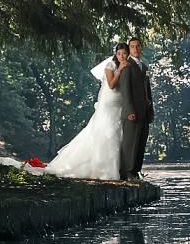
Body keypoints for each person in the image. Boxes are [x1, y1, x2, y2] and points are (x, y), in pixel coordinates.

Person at [45, 43, 131, 180]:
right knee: (107, 132)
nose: (122, 56)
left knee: (118, 134)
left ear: (128, 54)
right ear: (116, 54)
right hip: (108, 102)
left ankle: (119, 168)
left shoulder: (128, 65)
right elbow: (111, 85)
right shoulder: (110, 66)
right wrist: (120, 70)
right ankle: (104, 170)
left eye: (124, 53)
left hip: (120, 103)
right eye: (119, 53)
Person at [119, 36, 154, 180]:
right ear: (129, 49)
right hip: (132, 112)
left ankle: (135, 171)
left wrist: (150, 111)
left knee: (140, 142)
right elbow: (125, 91)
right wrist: (129, 111)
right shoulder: (127, 66)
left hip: (144, 111)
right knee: (130, 143)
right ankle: (127, 172)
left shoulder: (143, 67)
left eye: (137, 46)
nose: (135, 49)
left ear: (141, 48)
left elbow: (147, 91)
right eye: (132, 46)